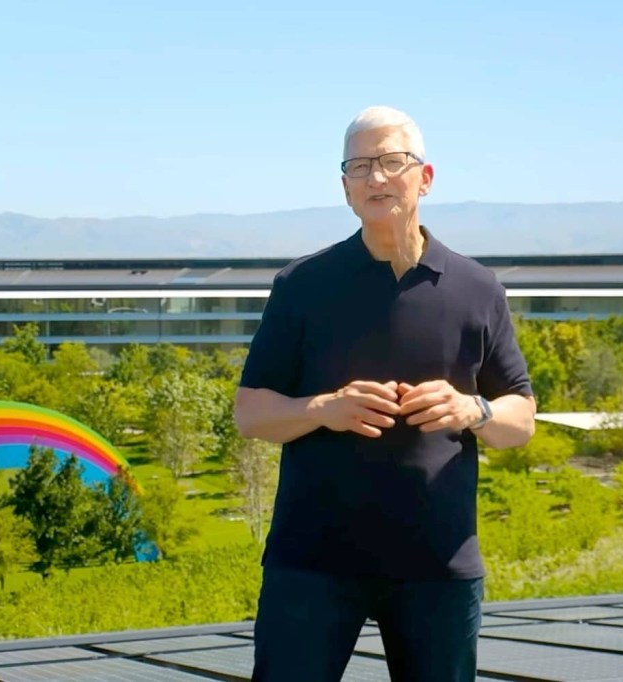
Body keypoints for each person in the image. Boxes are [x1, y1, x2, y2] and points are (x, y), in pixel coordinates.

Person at [234, 105, 536, 682]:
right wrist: (323, 409)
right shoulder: (302, 285)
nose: (375, 177)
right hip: (312, 562)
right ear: (345, 187)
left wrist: (473, 408)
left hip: (438, 565)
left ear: (425, 177)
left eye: (392, 161)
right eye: (359, 166)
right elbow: (251, 414)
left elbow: (520, 420)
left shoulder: (477, 288)